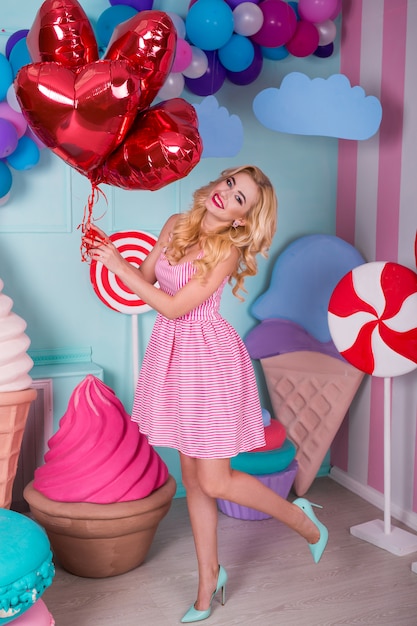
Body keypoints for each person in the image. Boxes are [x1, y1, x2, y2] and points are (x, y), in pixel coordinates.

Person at [85, 165, 328, 623]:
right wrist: (112, 257)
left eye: (241, 199)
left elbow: (177, 306)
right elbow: (148, 282)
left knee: (215, 480)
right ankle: (208, 581)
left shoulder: (228, 251)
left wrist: (120, 268)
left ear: (242, 219)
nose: (228, 194)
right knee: (195, 479)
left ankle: (303, 520)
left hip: (210, 361)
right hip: (173, 358)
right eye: (231, 184)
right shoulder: (176, 225)